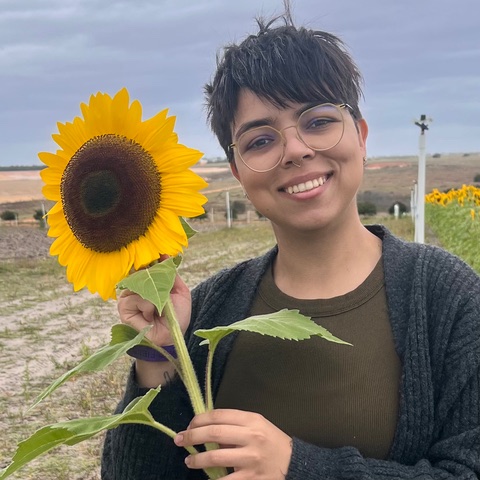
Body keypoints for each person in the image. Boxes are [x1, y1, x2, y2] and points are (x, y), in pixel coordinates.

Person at [101, 7, 480, 480]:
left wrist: (299, 468)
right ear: (238, 173)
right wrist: (160, 355)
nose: (296, 149)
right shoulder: (212, 309)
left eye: (318, 121)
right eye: (260, 141)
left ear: (360, 137)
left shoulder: (449, 298)